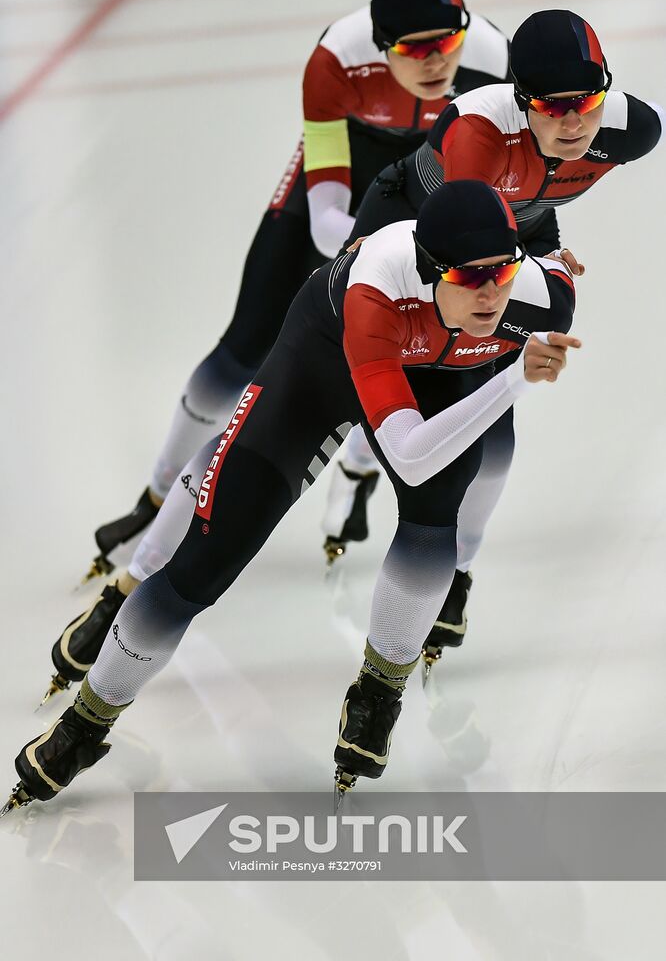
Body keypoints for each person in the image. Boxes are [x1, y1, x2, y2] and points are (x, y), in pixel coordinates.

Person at [42, 7, 660, 702]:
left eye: (588, 101)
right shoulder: (478, 135)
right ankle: (136, 579)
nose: (575, 120)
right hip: (420, 245)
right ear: (522, 102)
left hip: (488, 255)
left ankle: (453, 569)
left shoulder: (633, 130)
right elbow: (474, 230)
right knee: (281, 412)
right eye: (554, 105)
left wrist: (541, 253)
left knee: (494, 438)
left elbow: (528, 211)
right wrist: (529, 260)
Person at [4, 179, 580, 813]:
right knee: (205, 561)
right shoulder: (376, 290)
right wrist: (513, 384)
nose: (493, 291)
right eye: (471, 280)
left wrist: (507, 366)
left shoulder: (541, 299)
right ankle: (84, 726)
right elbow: (411, 456)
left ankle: (379, 688)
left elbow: (425, 464)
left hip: (439, 374)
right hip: (321, 365)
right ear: (430, 270)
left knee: (434, 521)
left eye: (502, 270)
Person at [86, 0, 510, 579]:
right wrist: (381, 256)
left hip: (434, 181)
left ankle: (364, 463)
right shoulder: (336, 59)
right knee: (242, 350)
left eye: (447, 43)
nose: (435, 63)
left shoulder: (495, 63)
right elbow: (325, 216)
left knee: (425, 342)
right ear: (379, 43)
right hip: (350, 174)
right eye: (413, 49)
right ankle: (154, 499)